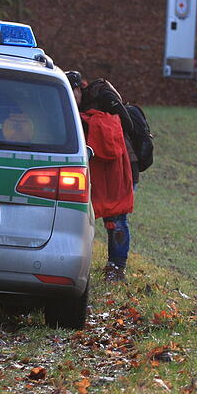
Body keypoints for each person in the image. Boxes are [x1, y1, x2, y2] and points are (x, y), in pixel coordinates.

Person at [67, 71, 134, 282]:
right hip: (100, 168)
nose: (71, 101)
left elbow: (127, 126)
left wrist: (90, 123)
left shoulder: (102, 100)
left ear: (79, 89)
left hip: (122, 166)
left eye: (72, 94)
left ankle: (117, 267)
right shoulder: (79, 108)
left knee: (116, 217)